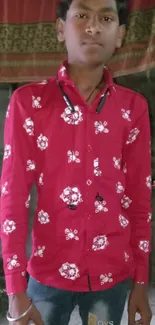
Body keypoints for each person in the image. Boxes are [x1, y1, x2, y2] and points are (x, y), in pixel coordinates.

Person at [0, 0, 152, 324]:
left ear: (120, 34)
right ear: (60, 29)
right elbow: (12, 198)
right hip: (47, 274)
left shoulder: (133, 109)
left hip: (111, 277)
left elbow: (140, 200)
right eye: (81, 15)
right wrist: (14, 290)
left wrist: (140, 282)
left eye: (106, 18)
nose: (93, 27)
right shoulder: (29, 104)